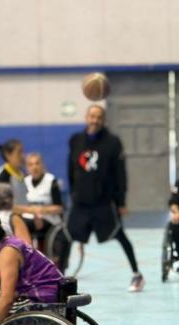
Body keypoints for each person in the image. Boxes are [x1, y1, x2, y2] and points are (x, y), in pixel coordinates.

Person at [66, 104, 143, 292]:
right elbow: (71, 170)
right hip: (81, 202)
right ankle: (58, 278)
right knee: (66, 236)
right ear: (86, 118)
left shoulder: (113, 142)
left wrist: (121, 202)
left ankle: (137, 274)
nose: (95, 120)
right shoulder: (76, 140)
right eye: (92, 116)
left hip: (104, 202)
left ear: (104, 120)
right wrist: (73, 194)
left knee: (120, 235)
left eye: (99, 117)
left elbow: (120, 174)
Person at [15, 152, 63, 247]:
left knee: (31, 223)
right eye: (31, 164)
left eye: (37, 163)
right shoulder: (25, 182)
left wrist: (40, 211)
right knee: (17, 222)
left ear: (42, 165)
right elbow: (19, 206)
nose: (34, 167)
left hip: (49, 219)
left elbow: (59, 208)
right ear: (27, 168)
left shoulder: (51, 180)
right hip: (29, 217)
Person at [0, 139, 28, 205]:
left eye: (23, 152)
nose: (23, 156)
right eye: (19, 152)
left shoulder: (21, 173)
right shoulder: (4, 175)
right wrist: (31, 209)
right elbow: (3, 205)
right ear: (8, 155)